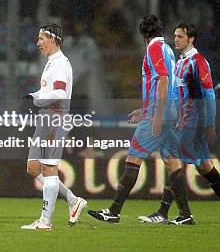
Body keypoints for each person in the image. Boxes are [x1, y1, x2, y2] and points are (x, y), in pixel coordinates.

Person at [88, 15, 195, 225]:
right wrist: (144, 109)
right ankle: (185, 215)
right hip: (170, 111)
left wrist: (156, 114)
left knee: (133, 157)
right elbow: (163, 83)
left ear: (144, 34)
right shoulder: (168, 50)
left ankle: (114, 211)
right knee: (172, 162)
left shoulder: (154, 49)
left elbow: (163, 80)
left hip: (161, 112)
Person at [139, 23, 219, 223]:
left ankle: (173, 213)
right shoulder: (179, 62)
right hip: (182, 121)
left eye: (180, 36)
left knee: (173, 161)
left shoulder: (198, 61)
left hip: (193, 122)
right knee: (203, 166)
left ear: (191, 39)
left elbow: (208, 94)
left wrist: (208, 124)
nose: (175, 39)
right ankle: (171, 213)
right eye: (174, 36)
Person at [21, 23, 87, 230]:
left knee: (49, 168)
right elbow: (49, 91)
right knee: (33, 167)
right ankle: (74, 201)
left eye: (41, 38)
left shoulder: (59, 63)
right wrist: (34, 95)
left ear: (53, 39)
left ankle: (45, 222)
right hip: (46, 118)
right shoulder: (52, 62)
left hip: (55, 119)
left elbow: (58, 94)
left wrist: (38, 101)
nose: (38, 42)